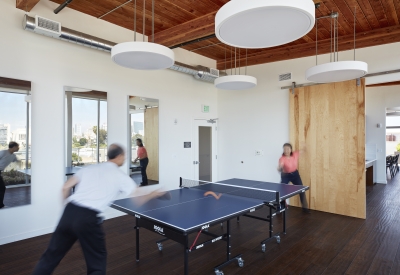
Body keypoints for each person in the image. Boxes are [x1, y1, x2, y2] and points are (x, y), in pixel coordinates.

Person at [32, 144, 165, 275]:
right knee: (96, 263)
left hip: (69, 212)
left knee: (50, 256)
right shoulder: (121, 176)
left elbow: (65, 187)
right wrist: (155, 193)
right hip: (88, 218)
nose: (124, 159)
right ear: (118, 156)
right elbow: (139, 199)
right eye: (124, 156)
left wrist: (68, 211)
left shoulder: (89, 169)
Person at [278, 143, 309, 213]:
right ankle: (281, 206)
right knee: (281, 192)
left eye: (288, 149)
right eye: (284, 149)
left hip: (295, 175)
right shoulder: (282, 158)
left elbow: (303, 151)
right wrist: (279, 167)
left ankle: (305, 208)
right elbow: (281, 165)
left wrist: (305, 147)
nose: (286, 150)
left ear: (291, 149)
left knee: (302, 190)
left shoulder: (295, 154)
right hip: (285, 176)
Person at [0, 141, 20, 209]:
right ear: (14, 147)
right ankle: (1, 206)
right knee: (2, 188)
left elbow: (17, 161)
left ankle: (1, 205)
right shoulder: (3, 152)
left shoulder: (13, 156)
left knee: (2, 188)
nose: (18, 148)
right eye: (17, 147)